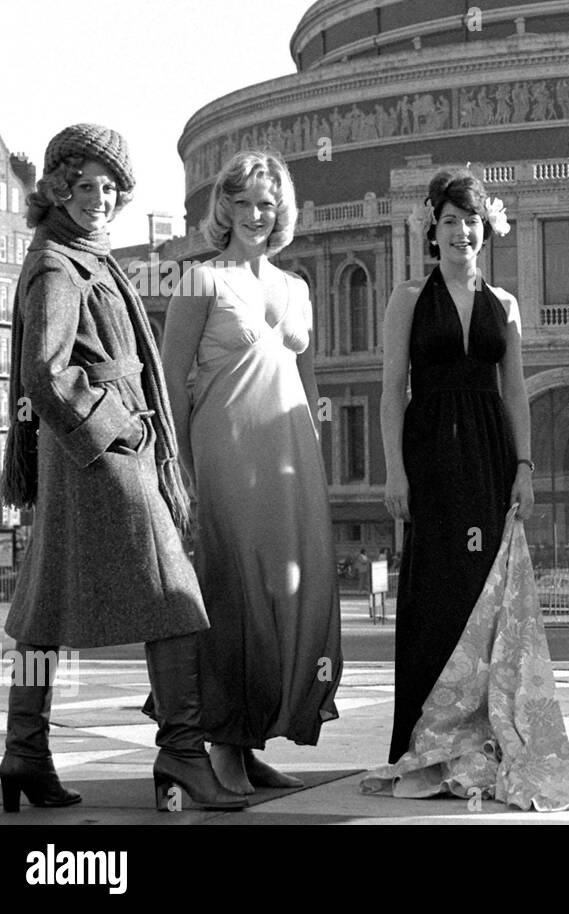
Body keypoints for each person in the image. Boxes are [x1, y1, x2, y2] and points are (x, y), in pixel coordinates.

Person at [0, 124, 245, 812]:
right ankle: (184, 755)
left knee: (43, 611)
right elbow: (44, 375)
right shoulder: (60, 266)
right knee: (175, 599)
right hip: (106, 452)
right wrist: (119, 430)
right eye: (86, 187)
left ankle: (24, 753)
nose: (101, 200)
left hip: (84, 457)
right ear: (57, 189)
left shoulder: (86, 258)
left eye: (111, 189)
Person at [362, 169, 569, 810]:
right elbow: (389, 391)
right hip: (430, 455)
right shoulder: (407, 298)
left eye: (473, 222)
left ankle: (483, 739)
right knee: (438, 590)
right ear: (432, 229)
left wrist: (525, 464)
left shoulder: (505, 304)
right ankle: (428, 740)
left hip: (489, 455)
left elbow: (514, 390)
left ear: (487, 230)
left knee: (489, 590)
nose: (463, 232)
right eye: (452, 221)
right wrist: (394, 472)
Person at [162, 150, 342, 795]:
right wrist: (177, 470)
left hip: (291, 461)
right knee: (233, 594)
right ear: (226, 208)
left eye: (269, 204)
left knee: (289, 592)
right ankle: (224, 748)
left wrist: (316, 456)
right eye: (245, 203)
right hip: (225, 456)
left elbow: (309, 377)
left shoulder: (296, 288)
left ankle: (254, 737)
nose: (258, 215)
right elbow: (170, 382)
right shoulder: (199, 281)